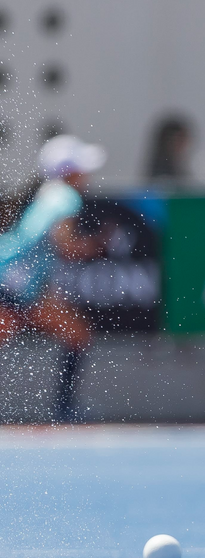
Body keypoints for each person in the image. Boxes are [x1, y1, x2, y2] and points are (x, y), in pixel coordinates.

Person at [0, 134, 110, 422]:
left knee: (77, 334)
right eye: (81, 169)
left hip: (17, 283)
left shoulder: (48, 194)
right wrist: (96, 245)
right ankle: (64, 409)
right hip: (12, 283)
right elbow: (65, 244)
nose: (87, 175)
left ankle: (64, 408)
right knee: (79, 335)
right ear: (69, 172)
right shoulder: (65, 198)